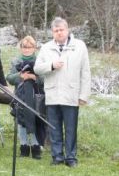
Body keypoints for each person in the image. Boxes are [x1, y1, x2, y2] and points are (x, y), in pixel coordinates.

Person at [33, 17, 91, 167]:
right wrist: (51, 65)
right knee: (54, 128)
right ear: (52, 32)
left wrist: (84, 95)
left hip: (71, 94)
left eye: (61, 30)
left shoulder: (79, 46)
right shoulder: (46, 48)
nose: (59, 33)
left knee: (71, 129)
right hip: (52, 95)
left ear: (67, 30)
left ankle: (71, 158)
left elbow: (85, 72)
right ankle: (57, 156)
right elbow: (37, 68)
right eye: (55, 30)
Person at [6, 36, 46, 159]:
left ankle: (35, 147)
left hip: (36, 95)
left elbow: (45, 78)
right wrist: (20, 75)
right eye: (24, 47)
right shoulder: (16, 61)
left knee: (34, 119)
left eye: (29, 47)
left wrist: (34, 78)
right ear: (21, 48)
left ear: (34, 48)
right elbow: (9, 78)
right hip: (20, 94)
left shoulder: (40, 60)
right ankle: (23, 147)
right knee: (21, 120)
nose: (27, 49)